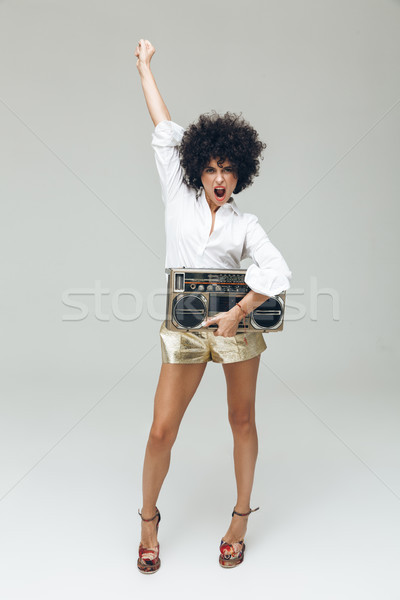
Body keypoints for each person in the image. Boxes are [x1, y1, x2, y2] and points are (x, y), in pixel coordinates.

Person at [134, 39, 292, 573]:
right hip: (183, 329)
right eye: (212, 168)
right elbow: (164, 125)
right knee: (161, 429)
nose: (220, 178)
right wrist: (144, 68)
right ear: (198, 169)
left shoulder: (245, 224)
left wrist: (238, 314)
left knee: (241, 419)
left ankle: (240, 520)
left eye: (229, 170)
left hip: (235, 327)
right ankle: (148, 522)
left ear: (239, 173)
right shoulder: (176, 196)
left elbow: (278, 272)